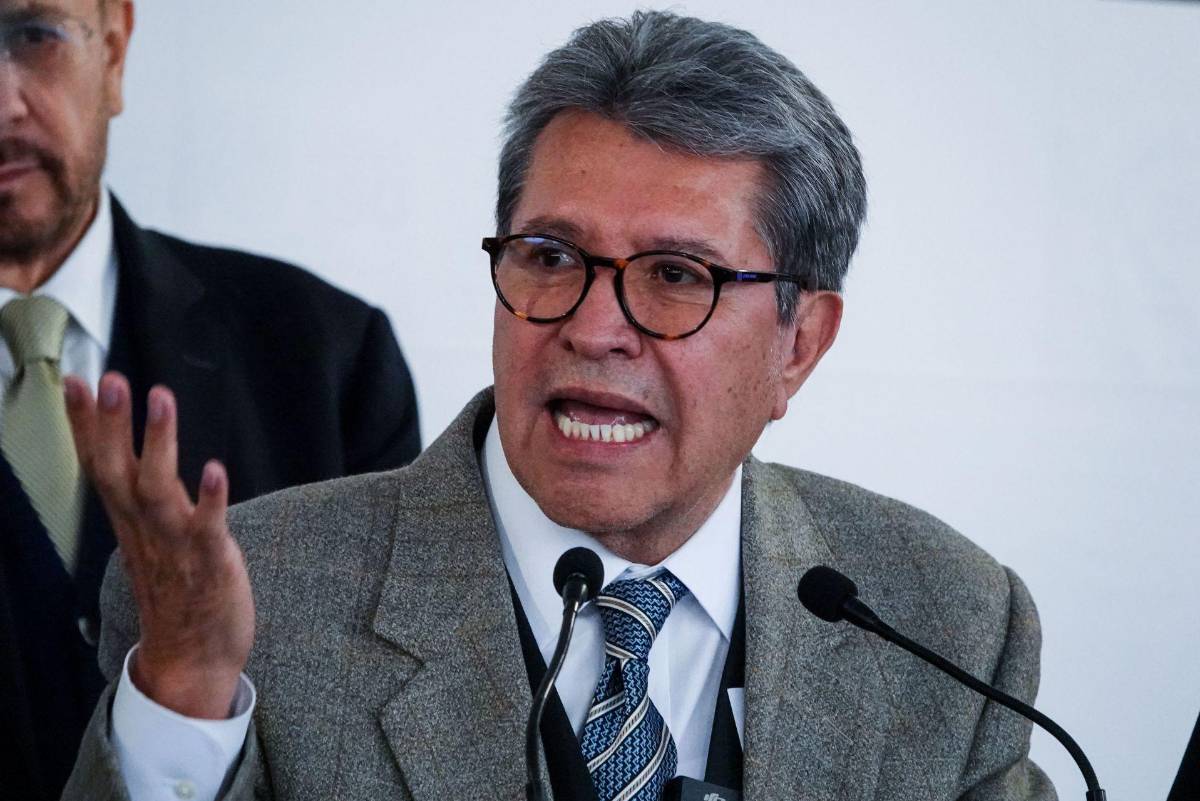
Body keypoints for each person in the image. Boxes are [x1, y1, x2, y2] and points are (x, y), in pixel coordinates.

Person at [61, 11, 1054, 801]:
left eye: (676, 274)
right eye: (552, 257)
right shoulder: (251, 603)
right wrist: (185, 698)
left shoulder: (949, 621)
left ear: (800, 344)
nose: (594, 326)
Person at [0, 1, 421, 797]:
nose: (2, 104)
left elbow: (379, 746)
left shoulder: (331, 360)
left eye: (34, 34)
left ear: (114, 50)